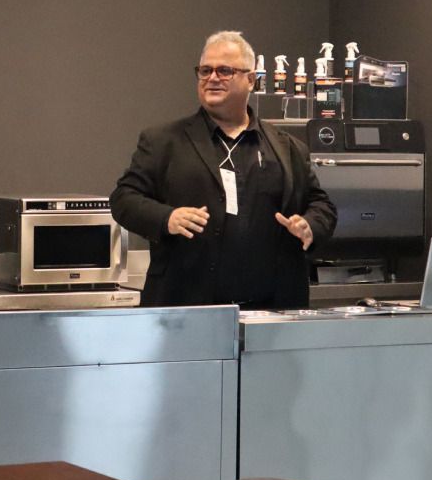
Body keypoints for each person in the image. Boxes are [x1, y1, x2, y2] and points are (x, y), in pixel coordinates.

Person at [111, 30, 336, 309]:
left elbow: (321, 204)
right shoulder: (163, 141)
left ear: (251, 80)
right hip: (186, 311)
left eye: (225, 70)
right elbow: (123, 199)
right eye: (205, 70)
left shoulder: (287, 147)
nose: (212, 78)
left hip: (272, 312)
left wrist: (309, 225)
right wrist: (166, 217)